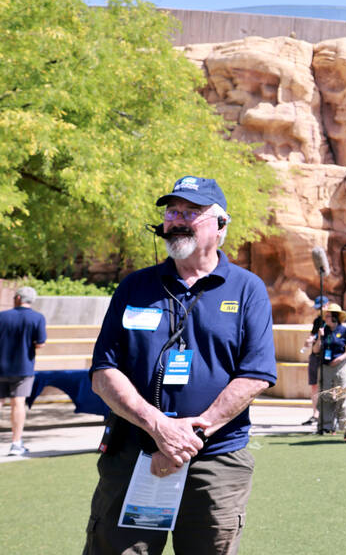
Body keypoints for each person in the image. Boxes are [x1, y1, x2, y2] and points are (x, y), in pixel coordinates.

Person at [84, 176, 276, 555]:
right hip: (134, 453)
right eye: (172, 211)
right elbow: (104, 371)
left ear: (221, 225)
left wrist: (191, 436)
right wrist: (157, 426)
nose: (177, 219)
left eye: (191, 211)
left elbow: (255, 375)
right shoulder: (134, 286)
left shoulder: (247, 288)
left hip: (215, 461)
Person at [0, 286, 47, 457]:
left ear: (18, 298)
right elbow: (40, 343)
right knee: (18, 403)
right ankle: (16, 443)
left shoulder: (2, 316)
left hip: (1, 366)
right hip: (23, 367)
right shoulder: (37, 318)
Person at [317, 302, 346, 433]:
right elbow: (316, 349)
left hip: (341, 365)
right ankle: (325, 425)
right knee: (325, 394)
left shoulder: (344, 331)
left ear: (335, 317)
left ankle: (343, 424)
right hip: (325, 366)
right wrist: (319, 337)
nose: (325, 318)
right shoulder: (323, 330)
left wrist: (341, 357)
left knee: (343, 393)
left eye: (328, 315)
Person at [301, 295, 330, 426]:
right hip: (315, 355)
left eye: (321, 307)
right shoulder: (318, 320)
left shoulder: (332, 320)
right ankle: (315, 413)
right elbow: (312, 334)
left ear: (327, 305)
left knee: (328, 385)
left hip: (327, 356)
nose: (320, 311)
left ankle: (328, 414)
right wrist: (309, 340)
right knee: (314, 385)